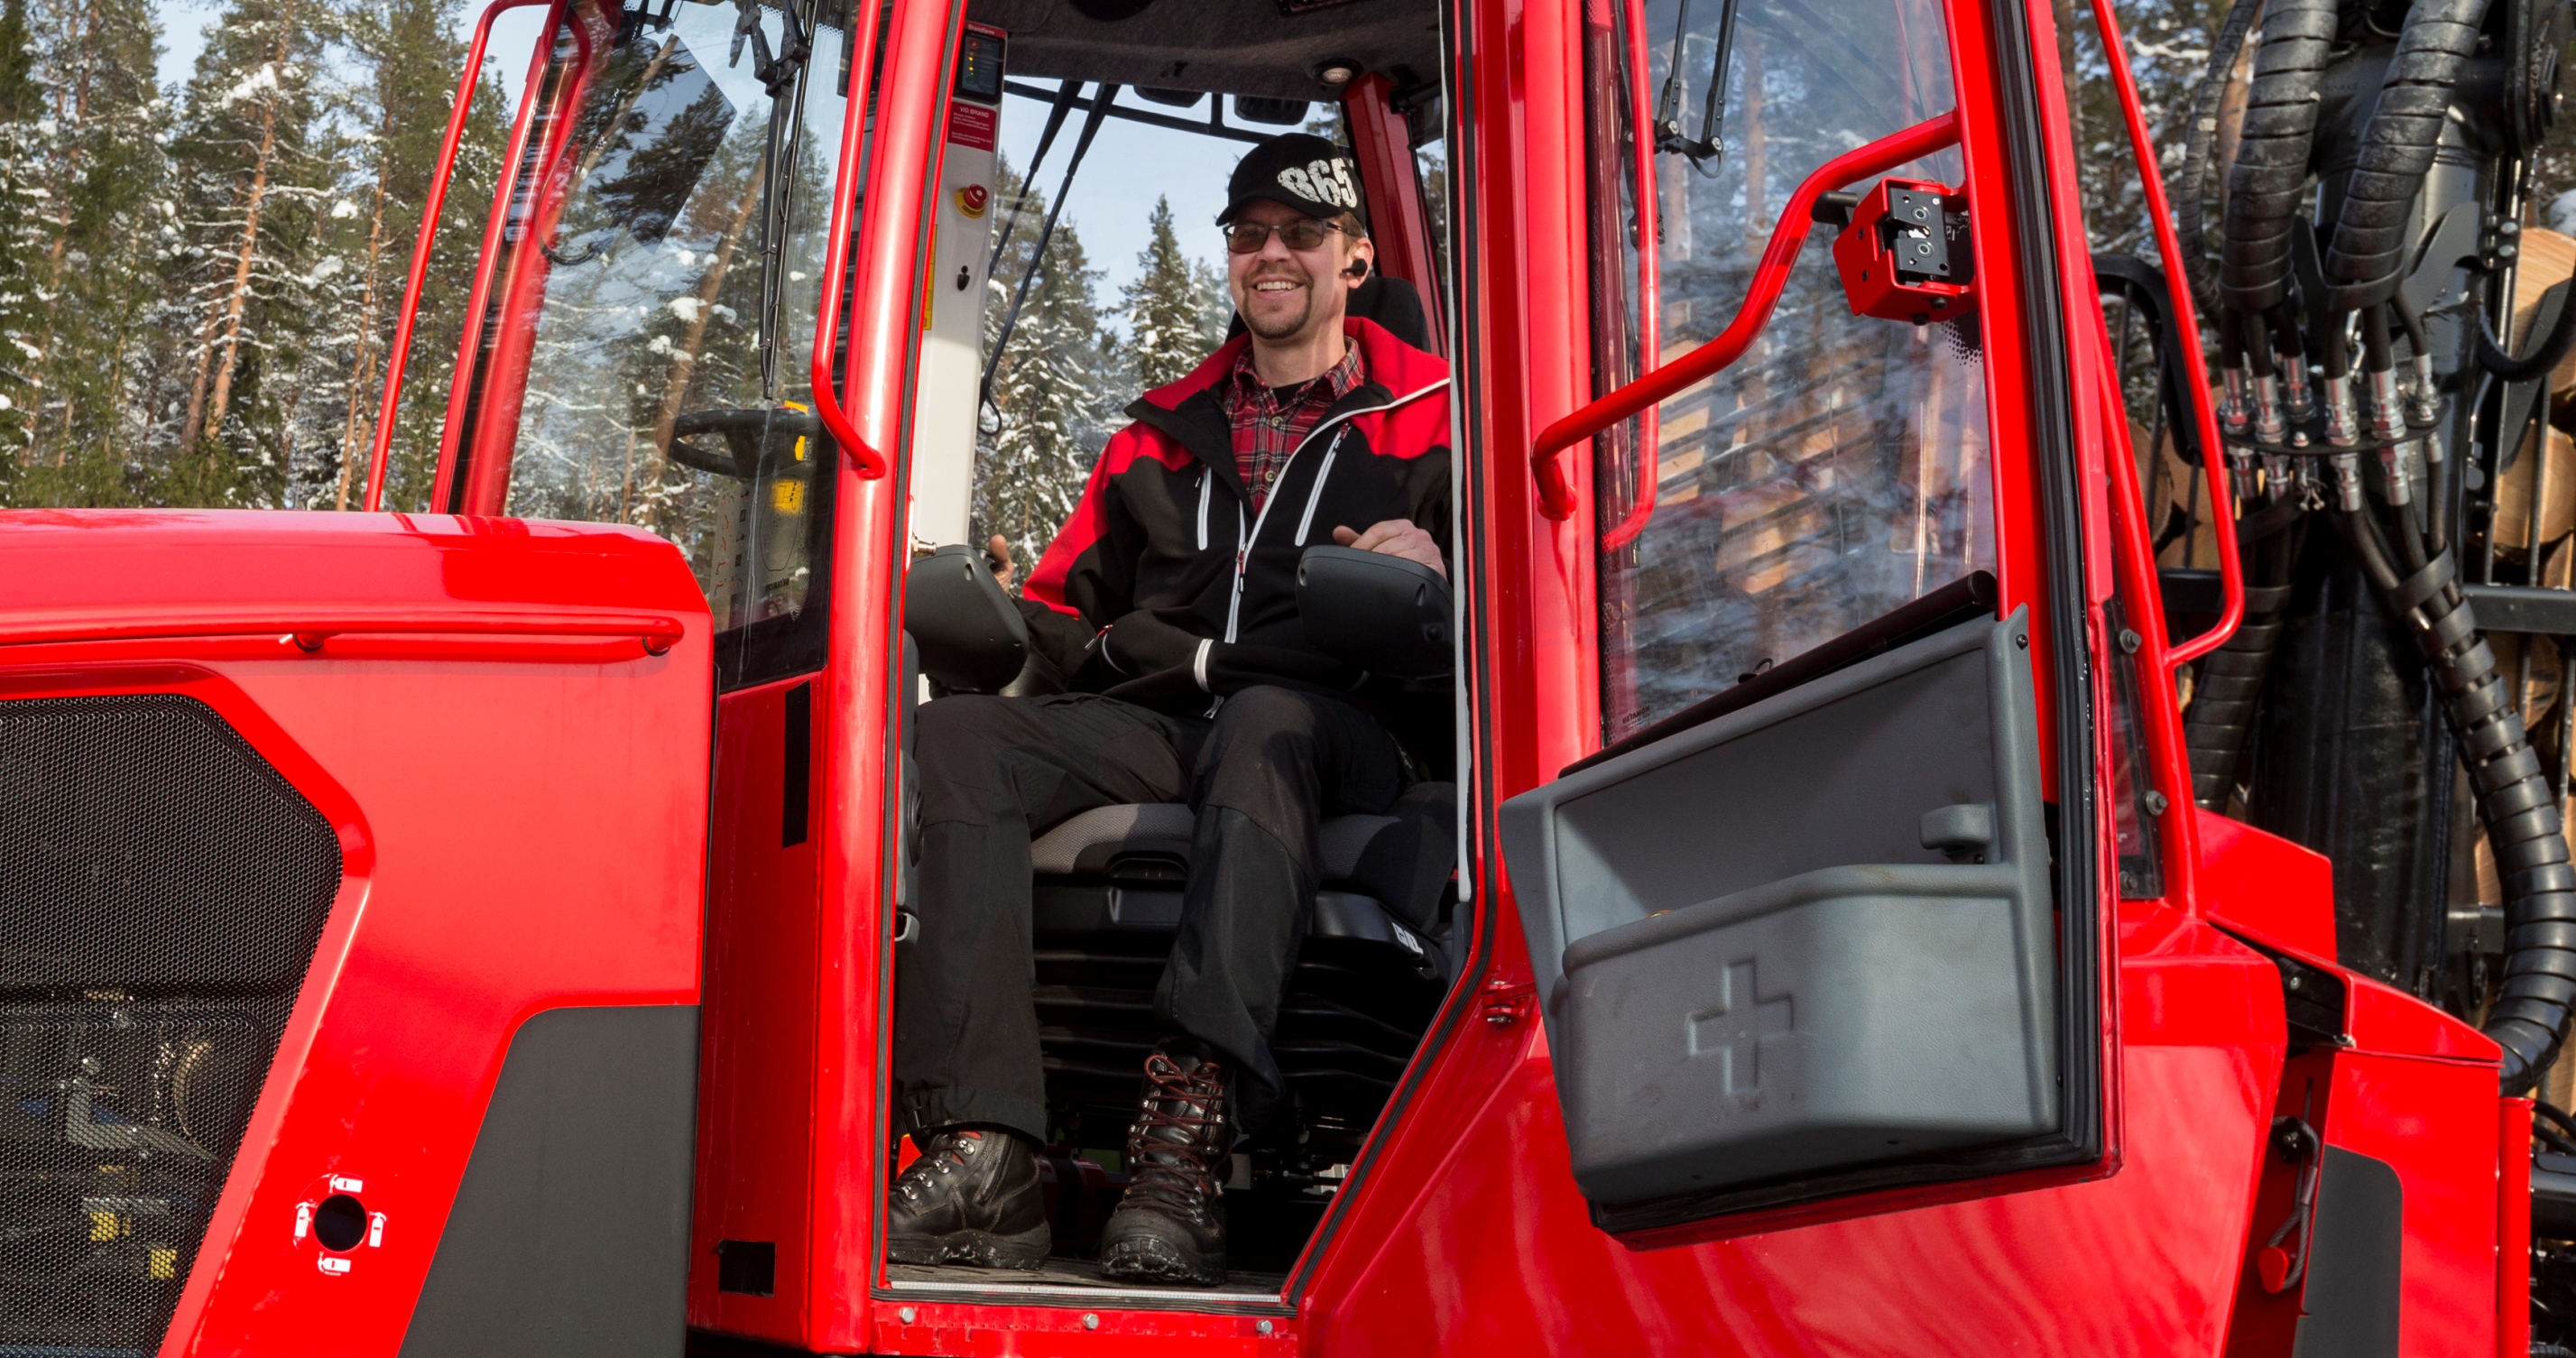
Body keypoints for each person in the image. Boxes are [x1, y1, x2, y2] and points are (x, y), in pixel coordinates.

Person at [885, 131, 1452, 1286]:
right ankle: (986, 1146)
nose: (1271, 255)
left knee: (1266, 722)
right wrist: (998, 598)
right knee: (955, 737)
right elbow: (1062, 604)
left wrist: (1435, 560)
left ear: (1352, 260)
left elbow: (1523, 588)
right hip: (1169, 722)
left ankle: (1184, 1140)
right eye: (1249, 237)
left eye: (1301, 234)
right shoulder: (1158, 436)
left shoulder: (1435, 418)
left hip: (1344, 727)